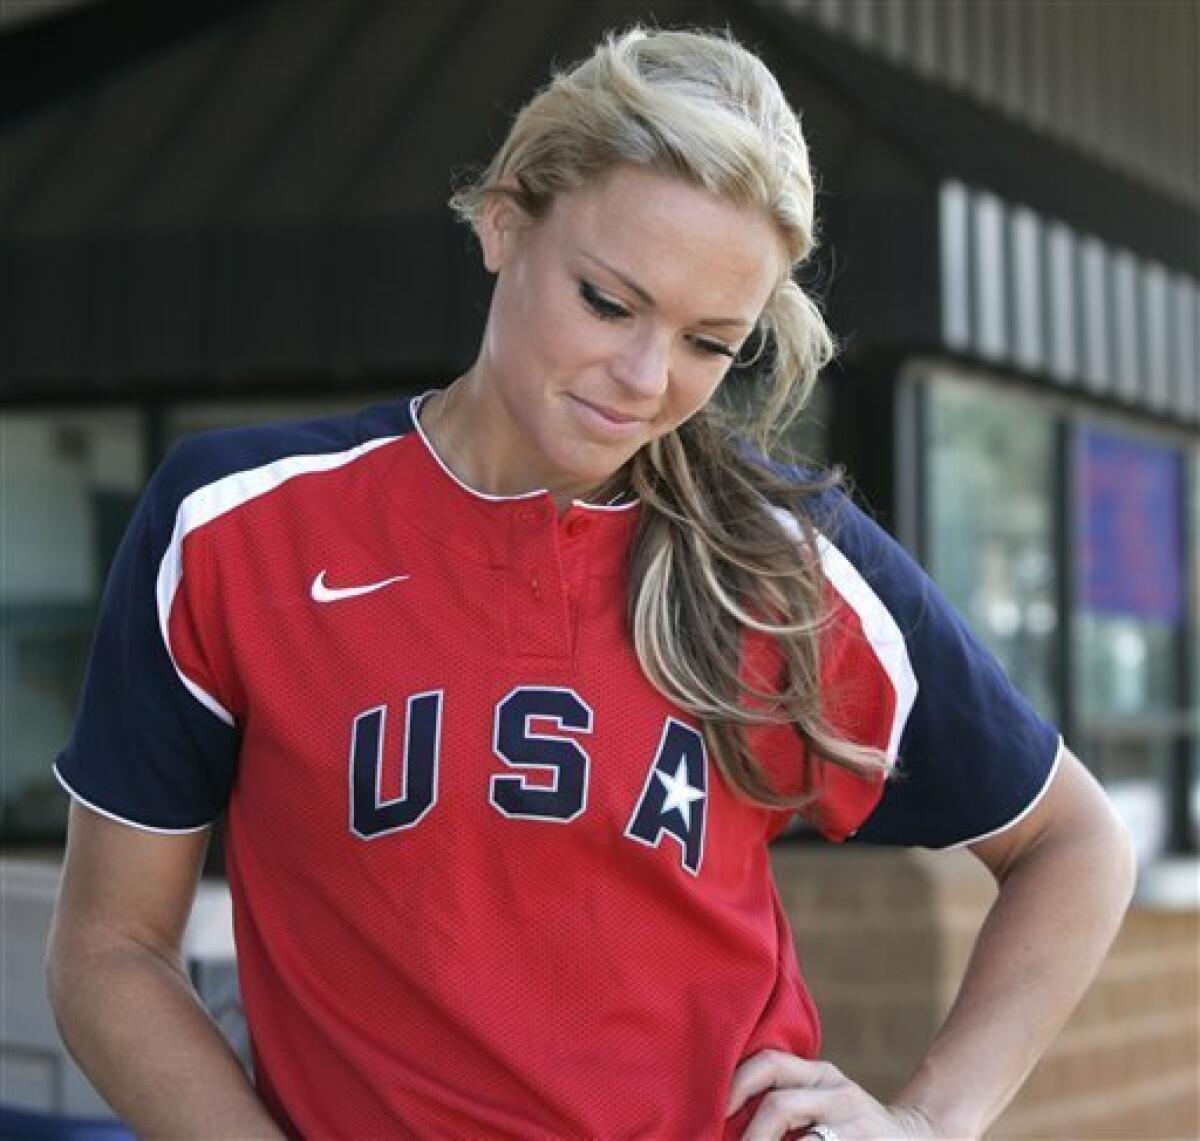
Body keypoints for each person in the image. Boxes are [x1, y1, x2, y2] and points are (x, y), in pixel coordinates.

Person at [46, 24, 1135, 1141]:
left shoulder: (779, 556)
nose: (647, 380)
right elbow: (108, 949)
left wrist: (930, 1121)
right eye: (609, 302)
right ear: (504, 221)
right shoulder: (235, 528)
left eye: (713, 342)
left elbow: (1075, 843)